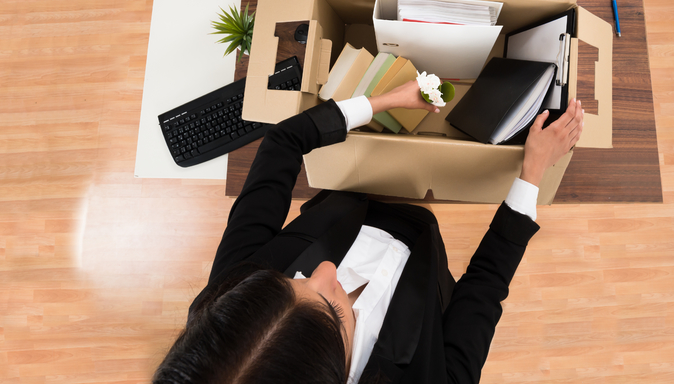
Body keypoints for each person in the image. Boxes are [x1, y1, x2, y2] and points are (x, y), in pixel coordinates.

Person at [153, 80, 584, 384]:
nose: (323, 269)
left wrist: (384, 100)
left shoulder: (232, 301)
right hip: (425, 254)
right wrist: (532, 172)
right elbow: (485, 288)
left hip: (354, 203)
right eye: (335, 311)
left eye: (289, 281)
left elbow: (281, 143)